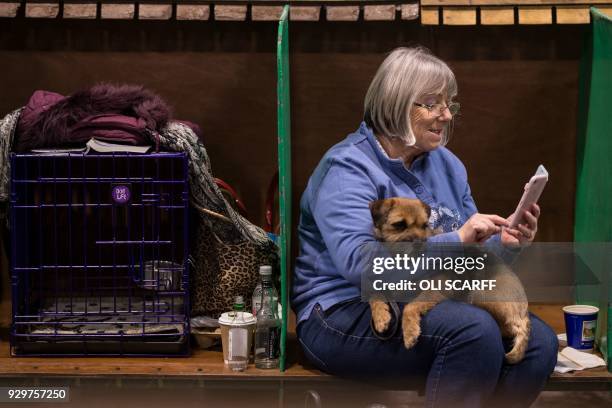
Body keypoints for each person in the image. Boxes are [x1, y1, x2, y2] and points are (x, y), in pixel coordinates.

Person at [292, 47, 557, 407]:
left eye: (450, 104)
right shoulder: (346, 169)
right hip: (342, 311)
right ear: (396, 104)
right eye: (432, 104)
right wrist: (458, 239)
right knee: (473, 332)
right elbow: (361, 266)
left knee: (539, 344)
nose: (446, 115)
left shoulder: (448, 165)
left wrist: (505, 243)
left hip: (426, 299)